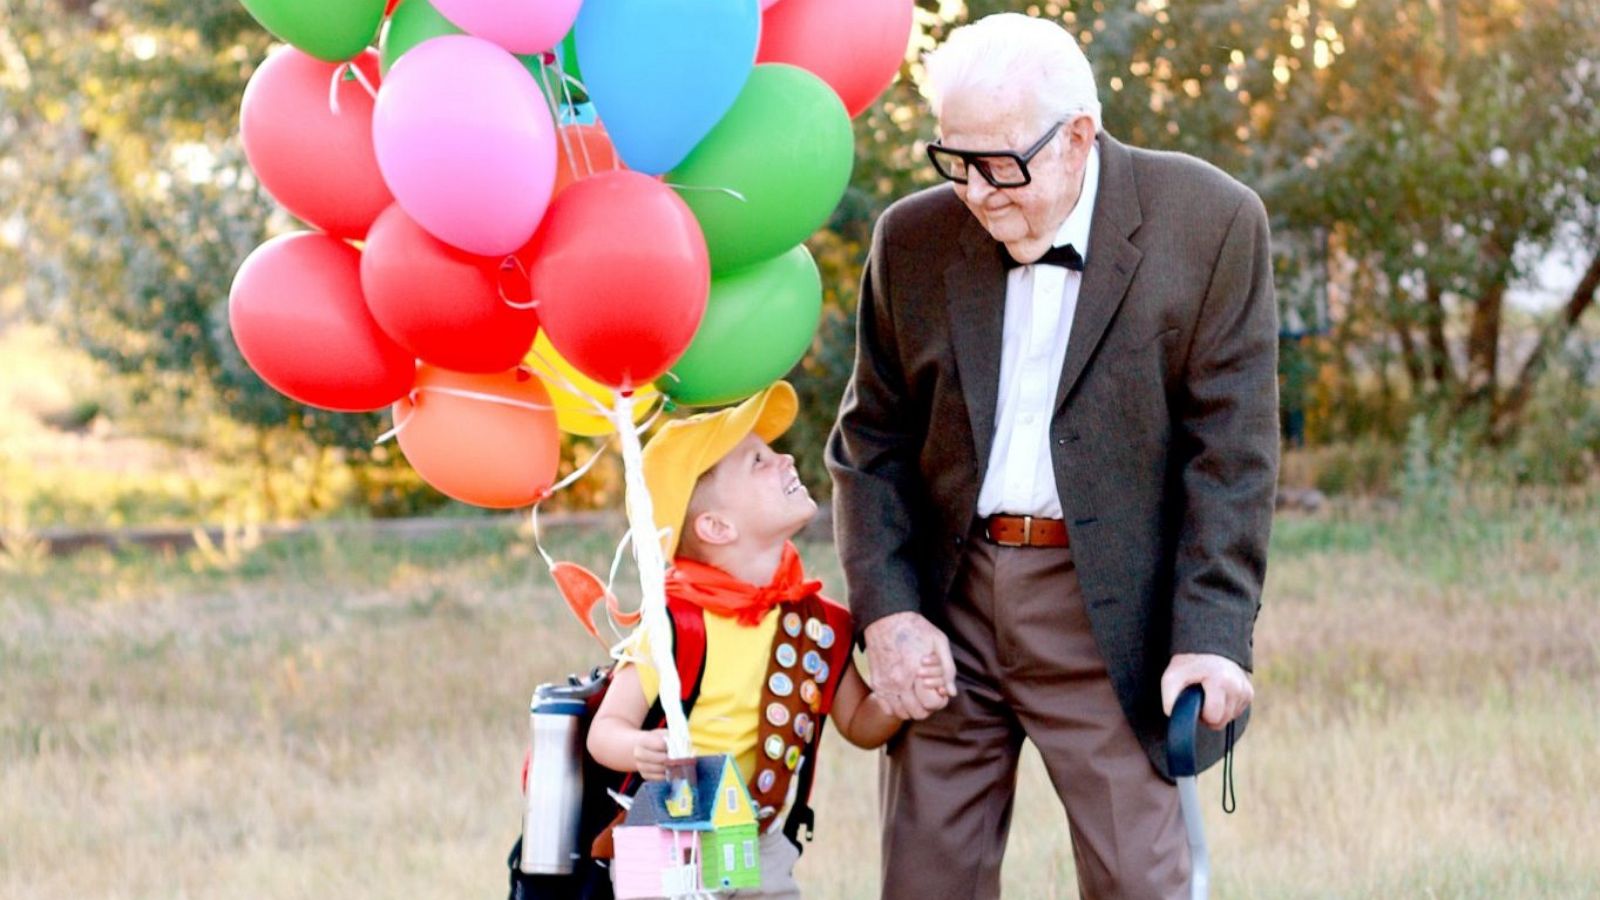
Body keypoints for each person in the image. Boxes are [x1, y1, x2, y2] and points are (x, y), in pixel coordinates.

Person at [826, 13, 1279, 900]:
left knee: (1140, 881)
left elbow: (1232, 457)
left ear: (1079, 136)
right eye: (952, 161)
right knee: (926, 883)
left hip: (1107, 605)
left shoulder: (1213, 223)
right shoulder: (909, 240)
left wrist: (1214, 636)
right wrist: (889, 611)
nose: (976, 193)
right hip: (948, 603)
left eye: (1000, 165)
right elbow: (868, 443)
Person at [588, 381, 924, 899]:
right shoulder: (676, 625)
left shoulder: (818, 625)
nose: (785, 458)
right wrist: (638, 748)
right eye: (758, 462)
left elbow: (859, 722)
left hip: (756, 836)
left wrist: (901, 697)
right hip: (667, 835)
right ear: (718, 526)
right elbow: (604, 731)